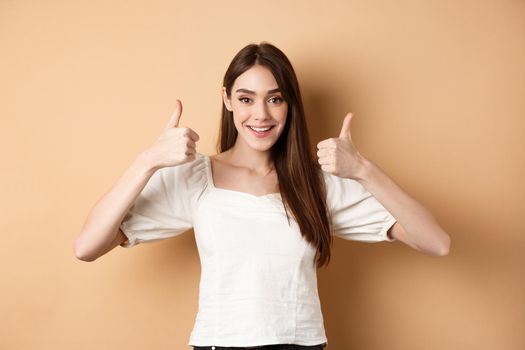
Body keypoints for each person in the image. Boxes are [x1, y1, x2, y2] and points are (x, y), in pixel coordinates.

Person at [74, 42, 451, 350]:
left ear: (290, 105)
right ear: (227, 100)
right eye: (246, 98)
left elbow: (436, 242)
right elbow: (87, 246)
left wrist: (364, 170)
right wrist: (147, 162)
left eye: (275, 99)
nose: (261, 114)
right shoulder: (196, 178)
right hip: (219, 345)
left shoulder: (315, 184)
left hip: (303, 345)